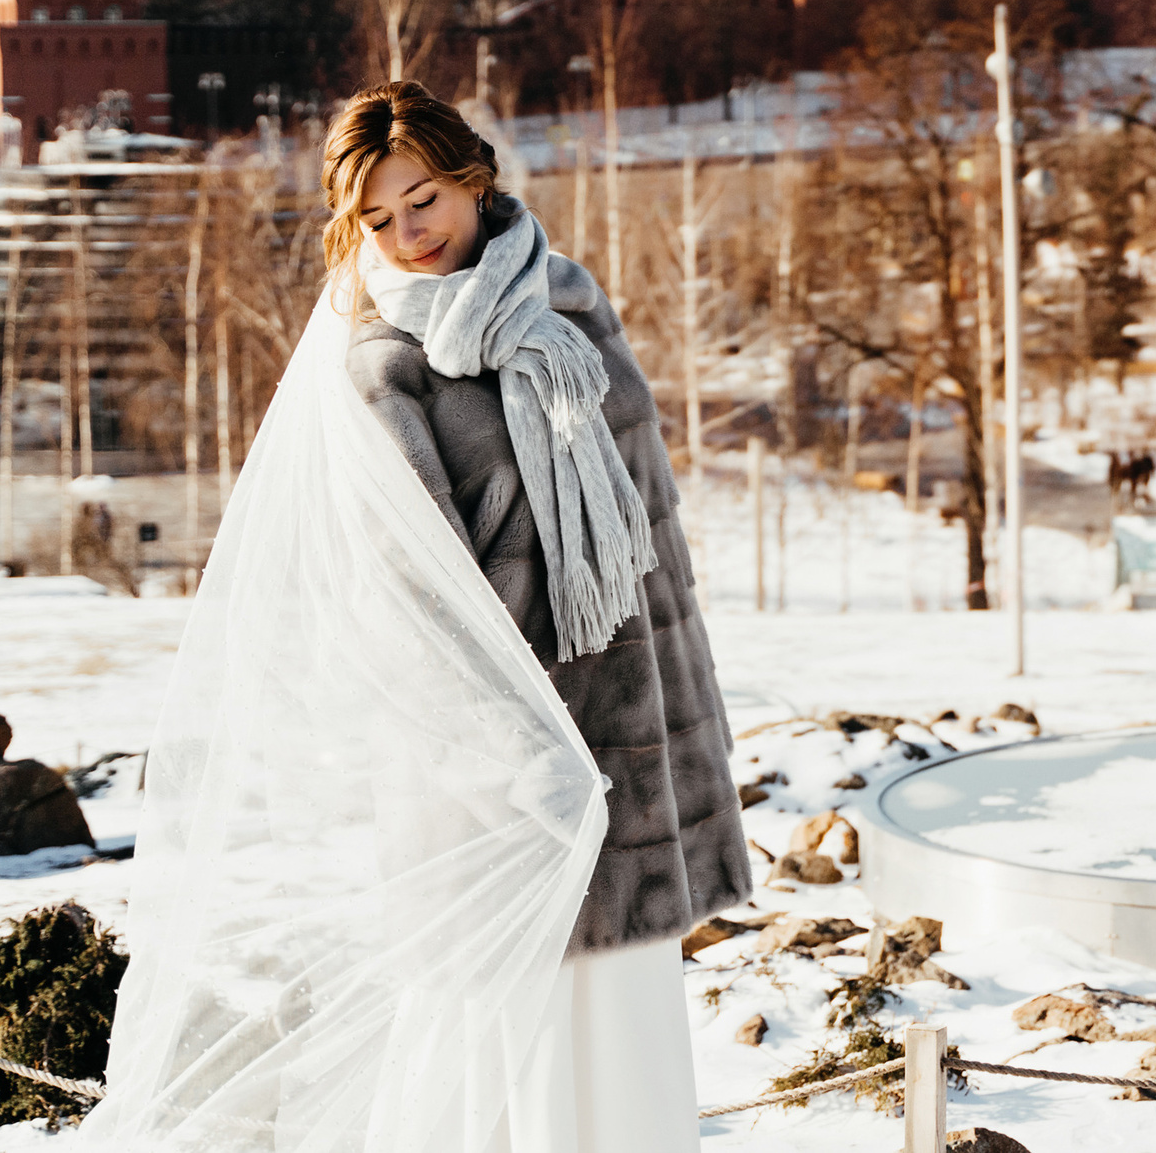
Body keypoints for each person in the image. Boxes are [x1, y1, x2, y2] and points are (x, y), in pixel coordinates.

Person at [92, 82, 749, 1153]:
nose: (408, 235)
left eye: (424, 200)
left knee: (625, 1049)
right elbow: (400, 608)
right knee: (515, 1063)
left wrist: (685, 744)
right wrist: (523, 766)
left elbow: (648, 542)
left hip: (635, 757)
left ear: (473, 178)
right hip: (500, 787)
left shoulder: (569, 305)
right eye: (378, 218)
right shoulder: (378, 367)